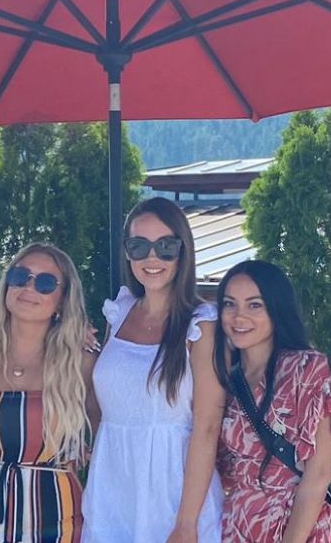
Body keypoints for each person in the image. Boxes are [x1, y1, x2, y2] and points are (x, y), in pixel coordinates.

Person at [82, 197, 226, 543]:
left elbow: (207, 428)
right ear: (127, 251)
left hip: (174, 494)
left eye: (165, 247)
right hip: (112, 489)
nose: (152, 258)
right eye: (139, 246)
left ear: (183, 251)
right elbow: (98, 407)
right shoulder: (117, 313)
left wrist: (187, 523)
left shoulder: (202, 325)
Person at [0, 243, 97, 543]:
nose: (30, 287)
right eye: (20, 276)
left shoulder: (82, 365)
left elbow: (107, 441)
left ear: (62, 301)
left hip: (58, 523)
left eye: (45, 283)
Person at [212, 260, 331, 543]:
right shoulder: (224, 378)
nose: (239, 317)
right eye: (230, 304)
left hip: (300, 525)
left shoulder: (306, 369)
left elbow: (319, 470)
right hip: (238, 523)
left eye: (254, 305)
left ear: (276, 309)